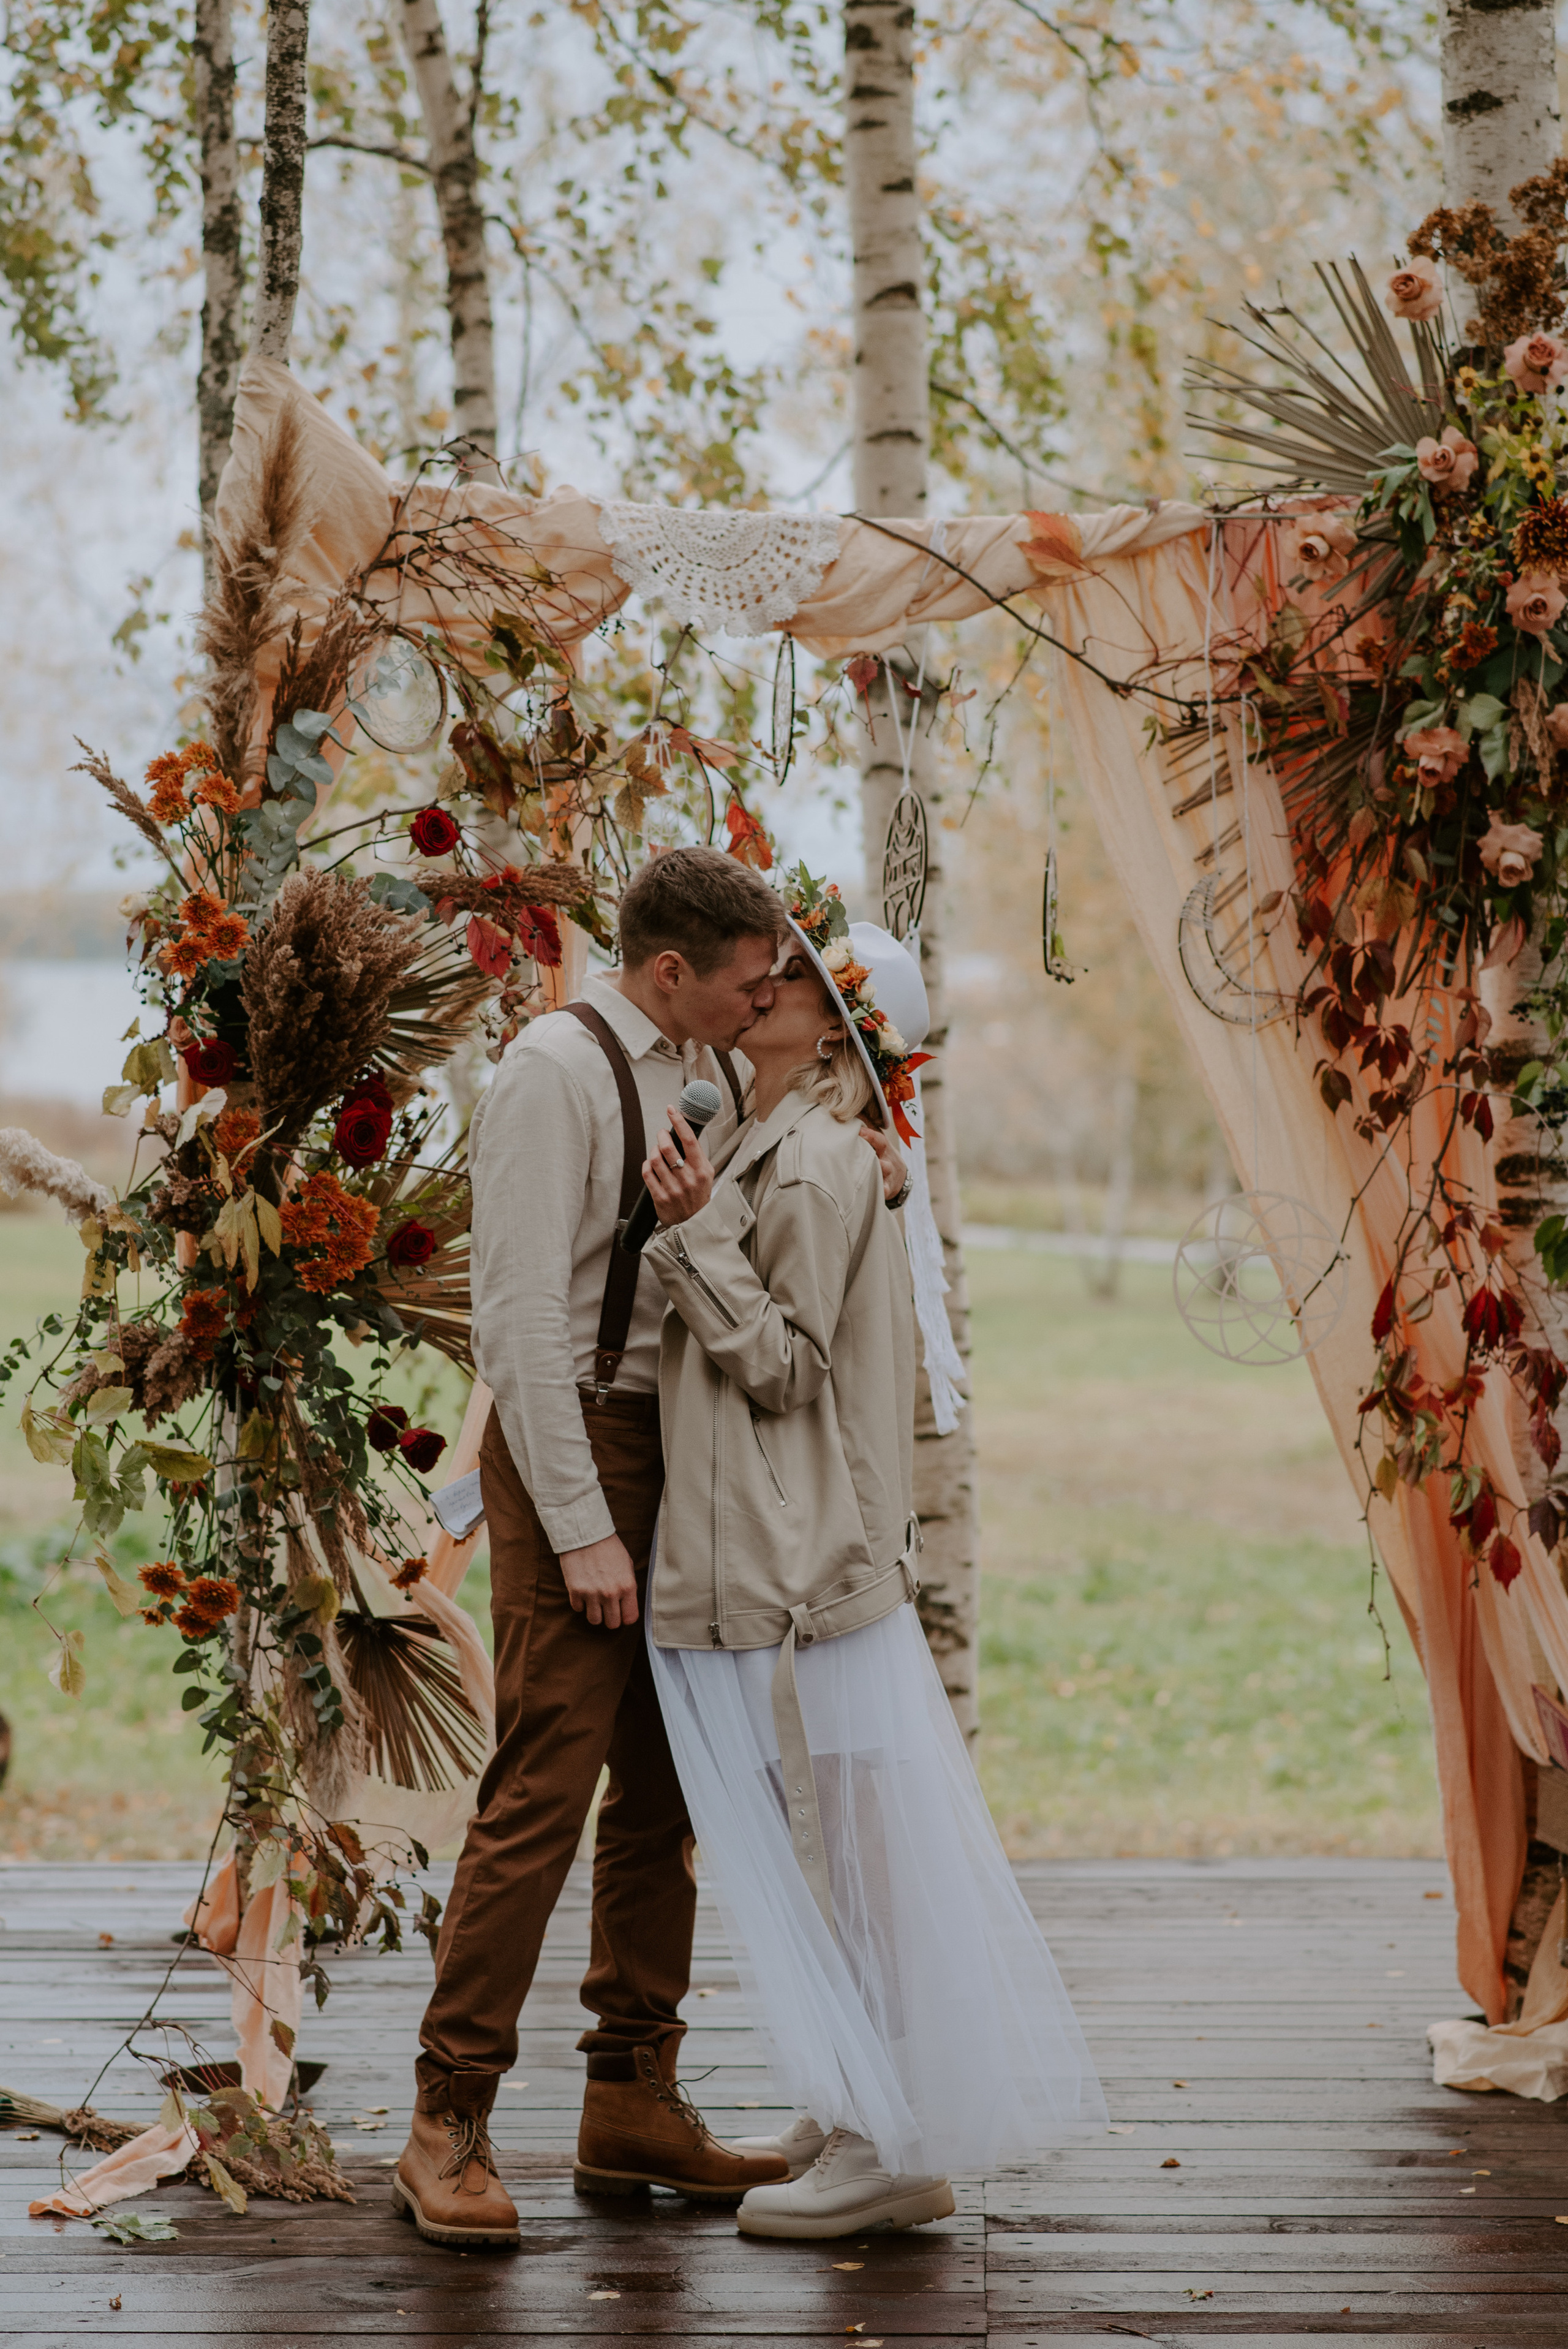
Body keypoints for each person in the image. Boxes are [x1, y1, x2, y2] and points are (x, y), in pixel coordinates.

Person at [395, 846, 907, 2248]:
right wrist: (578, 1529)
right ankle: (447, 2116)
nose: (766, 1002)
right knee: (542, 1787)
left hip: (678, 1454)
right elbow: (515, 1327)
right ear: (670, 972)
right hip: (574, 1448)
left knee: (674, 1791)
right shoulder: (552, 1073)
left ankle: (631, 2096)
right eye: (750, 981)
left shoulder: (716, 1071)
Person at [637, 872, 1108, 2242]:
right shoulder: (769, 1132)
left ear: (842, 1040)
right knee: (834, 1839)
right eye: (768, 974)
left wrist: (692, 1237)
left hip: (811, 1554)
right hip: (790, 1544)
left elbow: (782, 1366)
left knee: (858, 1852)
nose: (762, 989)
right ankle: (858, 2103)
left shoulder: (827, 1160)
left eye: (797, 985)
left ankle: (896, 2146)